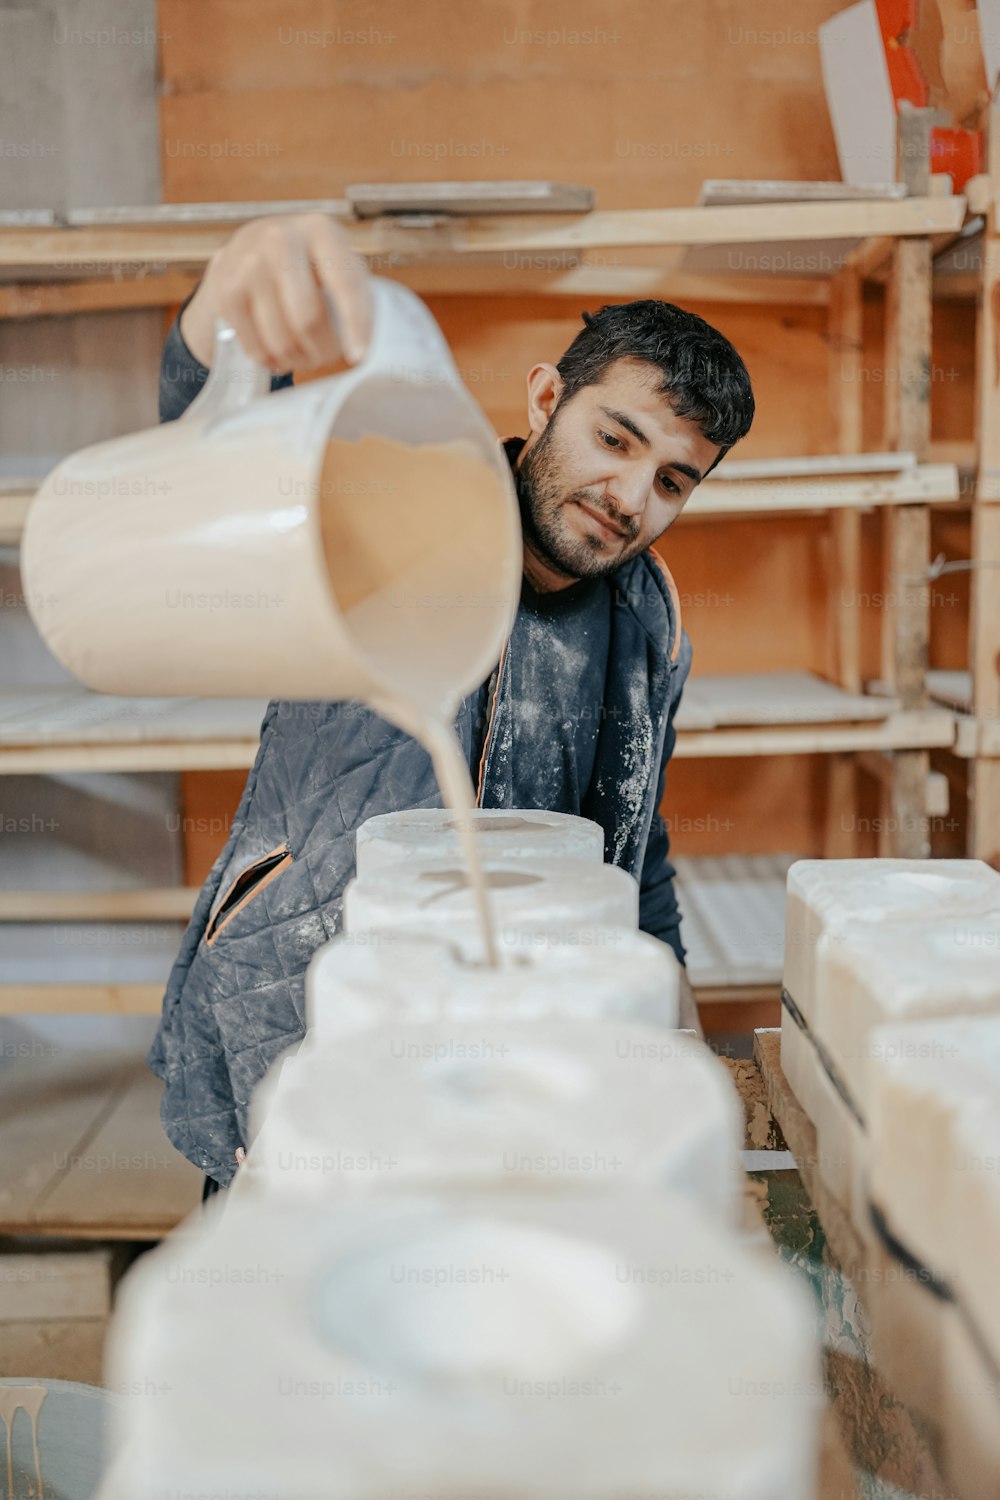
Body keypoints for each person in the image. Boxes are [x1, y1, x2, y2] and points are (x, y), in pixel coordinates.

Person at [149, 214, 755, 1199]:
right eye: (616, 438)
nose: (629, 494)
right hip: (303, 1013)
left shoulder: (651, 623)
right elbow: (219, 435)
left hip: (514, 1051)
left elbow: (634, 858)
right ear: (546, 395)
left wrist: (676, 1041)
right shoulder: (395, 502)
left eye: (672, 480)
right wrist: (225, 304)